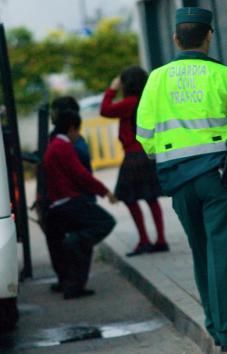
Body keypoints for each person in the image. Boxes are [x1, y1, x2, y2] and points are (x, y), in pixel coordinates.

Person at [136, 7, 227, 352]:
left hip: (177, 178)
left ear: (175, 38)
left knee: (201, 251)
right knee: (221, 252)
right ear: (209, 36)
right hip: (217, 176)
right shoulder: (223, 75)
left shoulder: (156, 79)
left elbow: (144, 134)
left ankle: (215, 326)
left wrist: (164, 153)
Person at [43, 109, 117, 299]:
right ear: (72, 128)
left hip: (57, 205)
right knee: (104, 224)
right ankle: (75, 245)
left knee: (80, 241)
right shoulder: (63, 146)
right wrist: (105, 191)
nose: (78, 136)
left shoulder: (52, 145)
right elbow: (80, 174)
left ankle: (72, 284)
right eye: (77, 131)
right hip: (70, 201)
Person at [100, 66, 168, 257]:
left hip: (132, 155)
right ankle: (161, 240)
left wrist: (112, 89)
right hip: (148, 154)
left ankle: (144, 240)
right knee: (151, 197)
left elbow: (105, 110)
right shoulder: (149, 100)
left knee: (129, 198)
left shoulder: (128, 103)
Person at [38, 96, 94, 293]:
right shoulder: (67, 140)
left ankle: (72, 282)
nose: (51, 115)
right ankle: (70, 281)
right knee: (62, 242)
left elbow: (79, 173)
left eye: (54, 110)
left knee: (71, 242)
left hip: (71, 199)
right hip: (68, 199)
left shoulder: (66, 142)